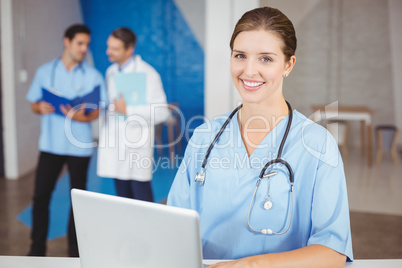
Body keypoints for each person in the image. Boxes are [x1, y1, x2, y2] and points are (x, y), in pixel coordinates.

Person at [167, 7, 353, 267]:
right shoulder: (204, 137)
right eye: (240, 55)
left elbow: (332, 253)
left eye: (266, 59)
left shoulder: (318, 144)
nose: (249, 70)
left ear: (288, 65)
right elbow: (172, 229)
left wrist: (250, 266)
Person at [26, 24, 106, 257]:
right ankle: (37, 248)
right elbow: (33, 103)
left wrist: (84, 115)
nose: (84, 49)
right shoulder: (45, 71)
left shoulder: (93, 76)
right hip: (50, 146)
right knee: (40, 197)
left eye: (87, 45)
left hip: (79, 148)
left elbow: (98, 110)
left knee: (77, 200)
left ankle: (75, 249)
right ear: (67, 41)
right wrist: (38, 107)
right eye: (80, 43)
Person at [97, 27, 169, 201]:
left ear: (129, 50)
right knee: (123, 200)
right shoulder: (110, 72)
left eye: (114, 49)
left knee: (142, 201)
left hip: (136, 147)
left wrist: (128, 111)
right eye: (108, 47)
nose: (108, 52)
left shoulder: (148, 74)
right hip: (115, 145)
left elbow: (162, 112)